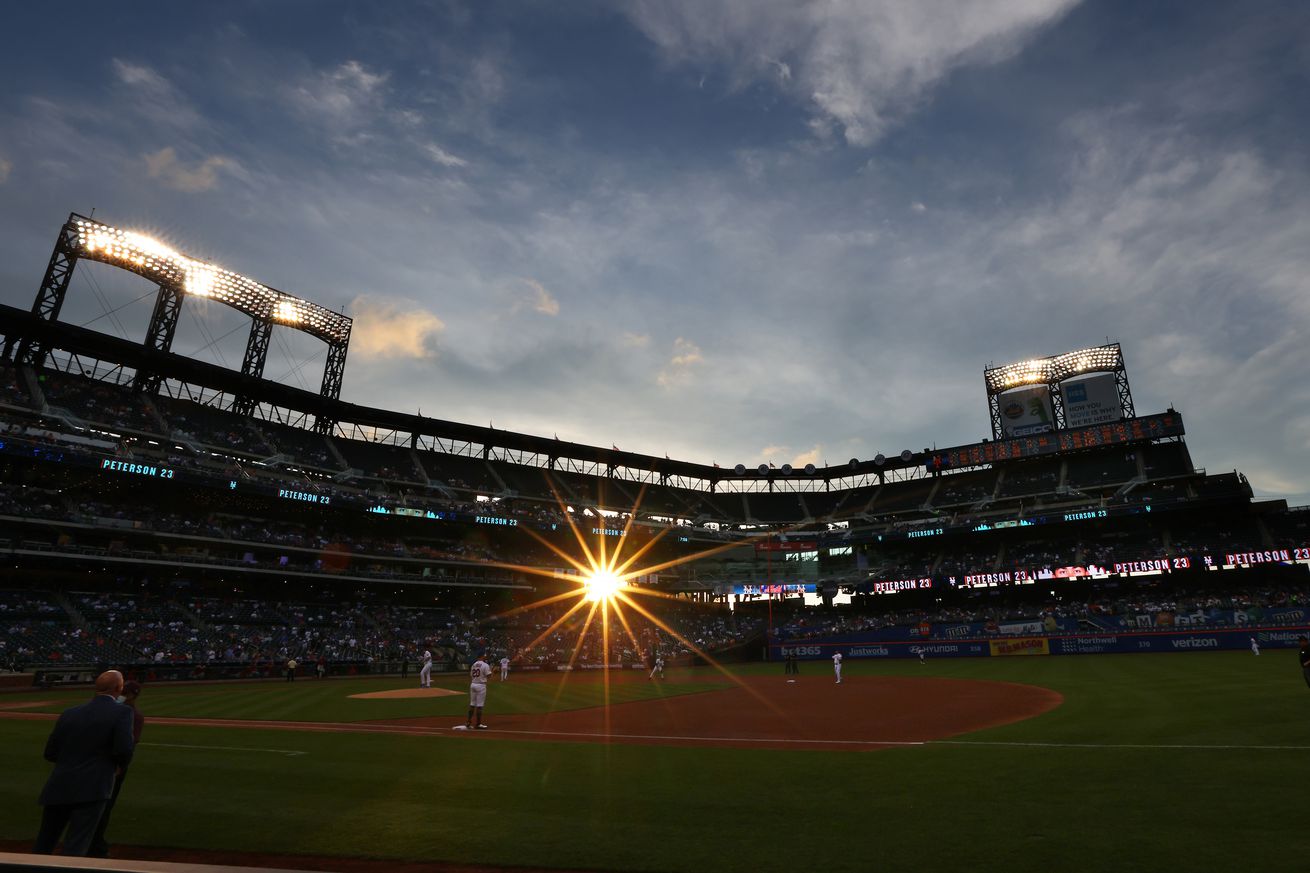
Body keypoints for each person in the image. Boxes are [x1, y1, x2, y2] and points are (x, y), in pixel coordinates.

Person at [33, 670, 136, 856]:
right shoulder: (123, 712)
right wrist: (118, 766)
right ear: (119, 688)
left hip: (59, 784)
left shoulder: (69, 713)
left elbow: (50, 753)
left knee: (44, 844)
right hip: (93, 787)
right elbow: (124, 750)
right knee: (76, 846)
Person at [88, 681, 145, 858]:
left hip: (91, 763)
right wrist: (120, 765)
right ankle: (95, 846)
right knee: (103, 805)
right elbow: (128, 747)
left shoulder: (93, 710)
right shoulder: (131, 714)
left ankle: (92, 843)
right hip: (111, 767)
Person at [467, 653, 492, 729]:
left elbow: (471, 675)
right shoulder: (485, 665)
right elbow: (489, 676)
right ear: (482, 657)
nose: (485, 656)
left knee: (472, 704)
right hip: (481, 686)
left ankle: (468, 722)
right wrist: (494, 671)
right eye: (484, 656)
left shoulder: (474, 664)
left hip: (473, 684)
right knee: (479, 706)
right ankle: (478, 724)